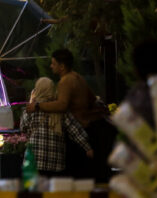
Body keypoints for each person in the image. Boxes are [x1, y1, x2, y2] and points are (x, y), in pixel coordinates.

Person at [25, 49, 113, 181]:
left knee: (76, 176)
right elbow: (92, 99)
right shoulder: (78, 77)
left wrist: (38, 106)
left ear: (62, 66)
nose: (51, 66)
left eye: (53, 64)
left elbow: (62, 105)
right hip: (92, 127)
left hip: (81, 128)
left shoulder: (65, 81)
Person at [20, 77, 94, 177]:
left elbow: (23, 129)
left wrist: (31, 100)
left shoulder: (30, 109)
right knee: (53, 192)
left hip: (34, 161)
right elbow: (75, 131)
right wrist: (88, 148)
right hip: (55, 162)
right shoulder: (59, 109)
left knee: (36, 192)